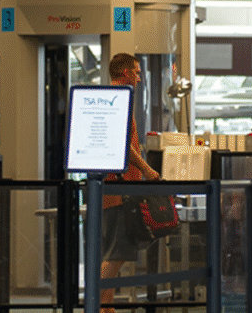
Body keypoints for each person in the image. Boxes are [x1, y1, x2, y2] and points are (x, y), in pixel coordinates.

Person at [100, 53, 161, 313]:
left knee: (114, 252)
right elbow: (123, 144)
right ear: (125, 73)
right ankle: (100, 305)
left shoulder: (112, 98)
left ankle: (105, 305)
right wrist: (147, 169)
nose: (139, 77)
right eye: (136, 72)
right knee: (116, 252)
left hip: (114, 187)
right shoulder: (120, 99)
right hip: (119, 188)